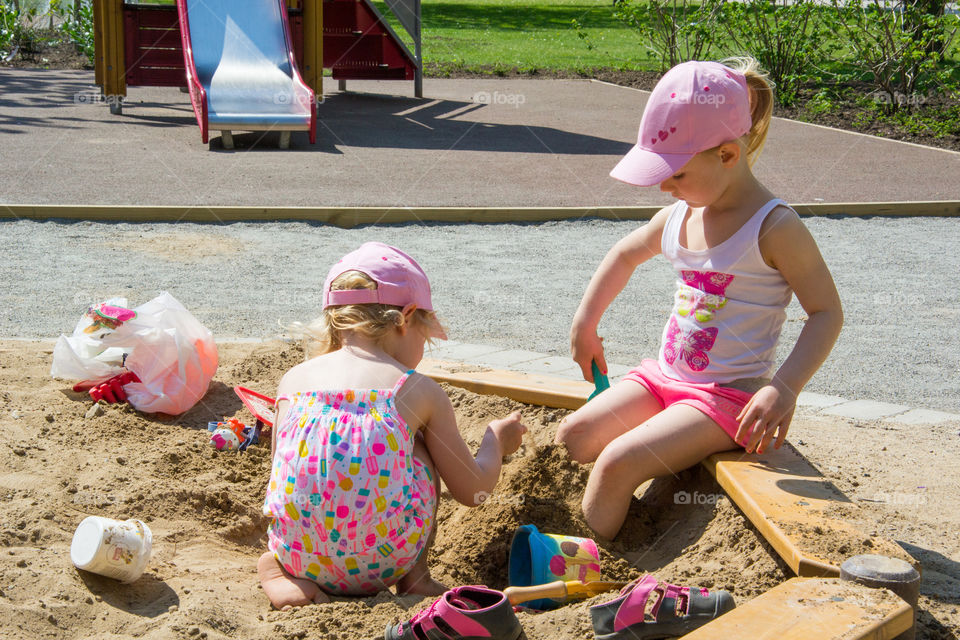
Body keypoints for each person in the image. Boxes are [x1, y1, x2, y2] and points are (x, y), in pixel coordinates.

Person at [554, 58, 843, 540]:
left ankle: (591, 568)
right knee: (573, 438)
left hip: (725, 398)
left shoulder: (774, 228)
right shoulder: (679, 215)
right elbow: (623, 255)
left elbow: (826, 312)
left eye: (677, 174)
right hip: (663, 378)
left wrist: (785, 387)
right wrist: (585, 324)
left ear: (728, 155)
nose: (665, 186)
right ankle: (570, 530)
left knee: (615, 465)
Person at [259, 242, 527, 609]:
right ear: (406, 317)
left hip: (301, 557)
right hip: (385, 561)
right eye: (425, 334)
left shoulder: (292, 381)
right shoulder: (417, 389)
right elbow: (474, 492)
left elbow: (279, 475)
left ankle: (276, 572)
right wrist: (495, 441)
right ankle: (416, 577)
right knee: (416, 448)